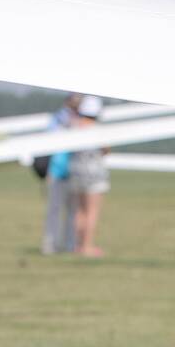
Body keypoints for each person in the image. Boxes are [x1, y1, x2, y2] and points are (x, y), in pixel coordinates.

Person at [67, 95, 109, 257]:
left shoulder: (75, 126)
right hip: (94, 173)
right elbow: (105, 150)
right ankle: (87, 246)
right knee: (92, 211)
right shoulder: (97, 129)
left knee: (80, 210)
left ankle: (78, 245)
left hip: (76, 171)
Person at [40, 93, 81, 255]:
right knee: (54, 210)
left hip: (76, 170)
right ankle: (50, 244)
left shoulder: (81, 120)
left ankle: (70, 244)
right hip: (57, 170)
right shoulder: (58, 119)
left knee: (73, 211)